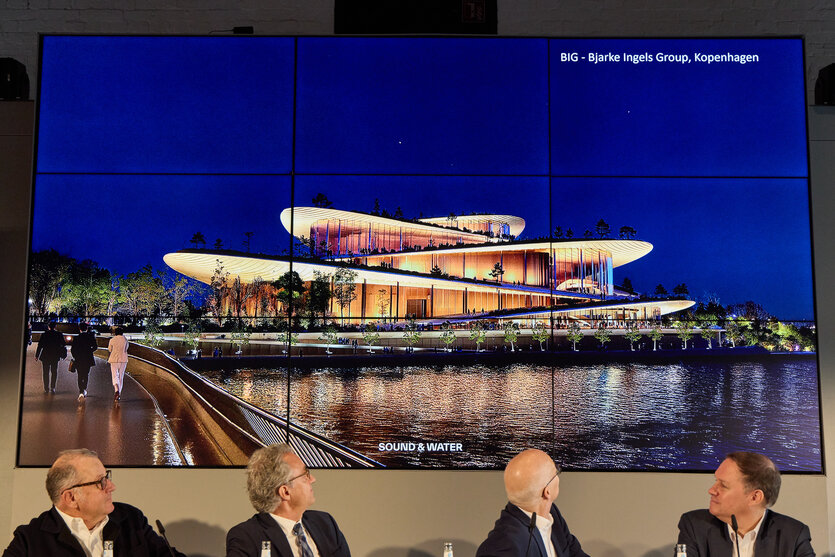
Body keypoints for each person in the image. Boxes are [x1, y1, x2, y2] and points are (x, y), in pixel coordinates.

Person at [2, 448, 186, 557]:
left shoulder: (131, 520)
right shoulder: (29, 541)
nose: (111, 487)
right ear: (71, 498)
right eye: (101, 482)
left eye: (107, 477)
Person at [677, 451, 815, 557]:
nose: (711, 490)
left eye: (723, 485)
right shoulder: (694, 526)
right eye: (715, 481)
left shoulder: (793, 535)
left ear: (755, 497)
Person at [226, 443, 351, 557]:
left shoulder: (325, 524)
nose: (312, 479)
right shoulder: (246, 538)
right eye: (305, 475)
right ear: (285, 492)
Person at [476, 449, 588, 557]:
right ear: (547, 491)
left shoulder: (553, 514)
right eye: (556, 472)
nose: (558, 475)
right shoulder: (502, 544)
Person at [35, 321, 66, 394]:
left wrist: (37, 355)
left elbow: (40, 346)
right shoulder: (59, 334)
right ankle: (53, 387)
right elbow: (63, 344)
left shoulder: (44, 334)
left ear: (48, 327)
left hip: (45, 355)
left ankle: (46, 388)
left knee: (45, 372)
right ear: (55, 327)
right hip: (55, 355)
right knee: (54, 372)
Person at [71, 322, 98, 401]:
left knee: (80, 374)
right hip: (88, 358)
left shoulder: (76, 338)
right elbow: (95, 346)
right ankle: (84, 388)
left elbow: (73, 349)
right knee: (86, 374)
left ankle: (81, 391)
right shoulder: (90, 337)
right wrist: (89, 350)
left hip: (79, 358)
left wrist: (76, 356)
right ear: (86, 329)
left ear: (80, 329)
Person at [107, 327, 129, 402]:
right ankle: (119, 393)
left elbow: (110, 349)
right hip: (123, 359)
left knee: (114, 375)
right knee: (121, 376)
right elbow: (126, 349)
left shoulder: (112, 340)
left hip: (114, 359)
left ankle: (116, 389)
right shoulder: (125, 340)